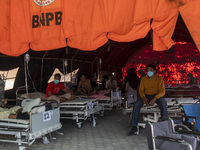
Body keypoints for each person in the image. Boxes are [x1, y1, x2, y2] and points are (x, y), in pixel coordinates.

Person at [128, 64, 168, 136]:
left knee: (163, 103)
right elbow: (141, 90)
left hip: (156, 95)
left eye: (151, 70)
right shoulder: (144, 79)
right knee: (136, 104)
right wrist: (143, 97)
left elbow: (162, 91)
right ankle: (134, 127)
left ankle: (164, 125)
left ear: (155, 71)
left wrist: (154, 98)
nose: (149, 72)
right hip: (146, 95)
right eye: (148, 70)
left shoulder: (159, 79)